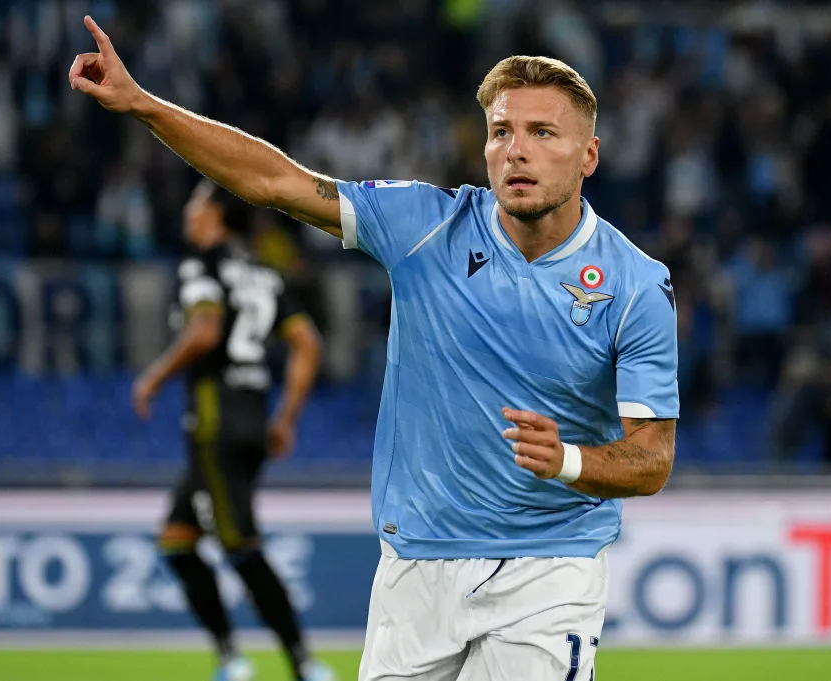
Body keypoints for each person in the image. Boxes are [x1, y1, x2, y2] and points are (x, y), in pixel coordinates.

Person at [71, 16, 678, 681]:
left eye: (541, 133)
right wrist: (141, 104)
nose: (516, 151)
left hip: (548, 569)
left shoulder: (634, 285)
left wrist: (565, 458)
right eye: (501, 131)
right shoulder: (427, 225)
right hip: (415, 567)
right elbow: (276, 182)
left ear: (588, 154)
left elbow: (651, 458)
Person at [131, 178, 333, 681]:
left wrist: (153, 377)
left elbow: (204, 331)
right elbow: (308, 344)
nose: (188, 211)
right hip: (254, 419)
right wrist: (285, 417)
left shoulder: (201, 265)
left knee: (239, 543)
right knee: (177, 540)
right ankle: (230, 656)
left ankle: (301, 662)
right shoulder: (266, 274)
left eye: (197, 203)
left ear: (215, 216)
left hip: (214, 420)